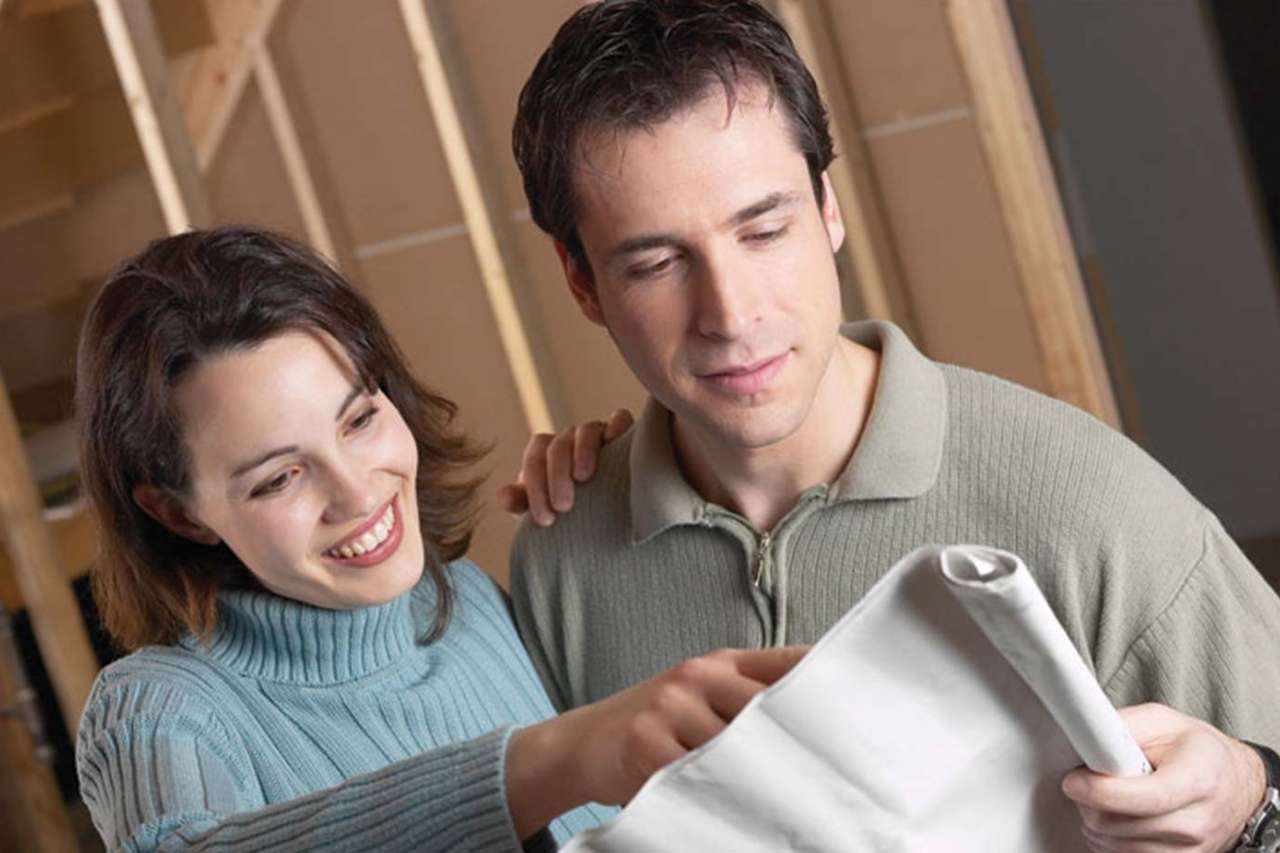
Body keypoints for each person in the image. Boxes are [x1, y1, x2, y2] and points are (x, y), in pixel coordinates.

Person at [504, 1, 1280, 850]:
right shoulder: (559, 556)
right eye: (656, 263)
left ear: (829, 209)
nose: (730, 313)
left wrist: (1255, 795)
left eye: (765, 229)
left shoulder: (1094, 508)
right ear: (581, 283)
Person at [72, 226, 806, 852]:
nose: (359, 493)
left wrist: (617, 489)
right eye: (279, 478)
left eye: (359, 419)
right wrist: (543, 765)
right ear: (179, 513)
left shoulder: (473, 605)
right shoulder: (158, 707)